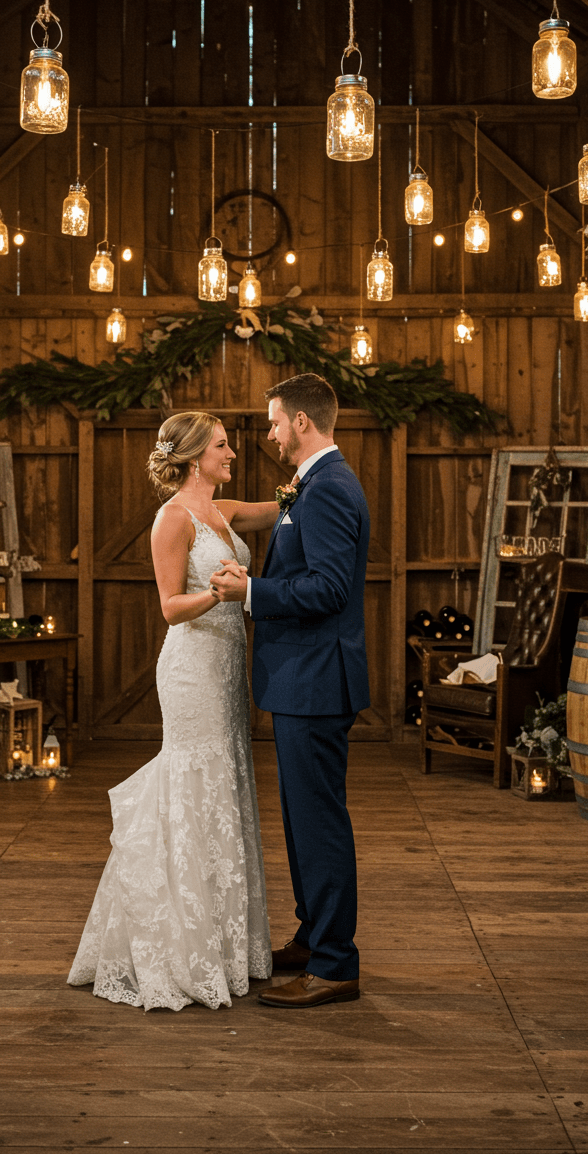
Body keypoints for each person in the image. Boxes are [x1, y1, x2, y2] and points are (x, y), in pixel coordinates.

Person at [67, 411, 279, 1011]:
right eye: (222, 446)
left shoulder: (222, 510)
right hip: (190, 668)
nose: (232, 452)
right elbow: (167, 606)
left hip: (227, 668)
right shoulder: (173, 519)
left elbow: (276, 509)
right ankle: (175, 943)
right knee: (193, 784)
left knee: (226, 781)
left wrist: (307, 478)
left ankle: (223, 940)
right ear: (192, 458)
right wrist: (219, 591)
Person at [210, 373, 370, 1009]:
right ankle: (312, 937)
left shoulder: (328, 488)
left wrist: (249, 592)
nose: (269, 432)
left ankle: (335, 963)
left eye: (274, 421)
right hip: (304, 678)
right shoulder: (311, 486)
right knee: (302, 822)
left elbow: (329, 589)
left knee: (320, 822)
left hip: (317, 678)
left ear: (302, 422)